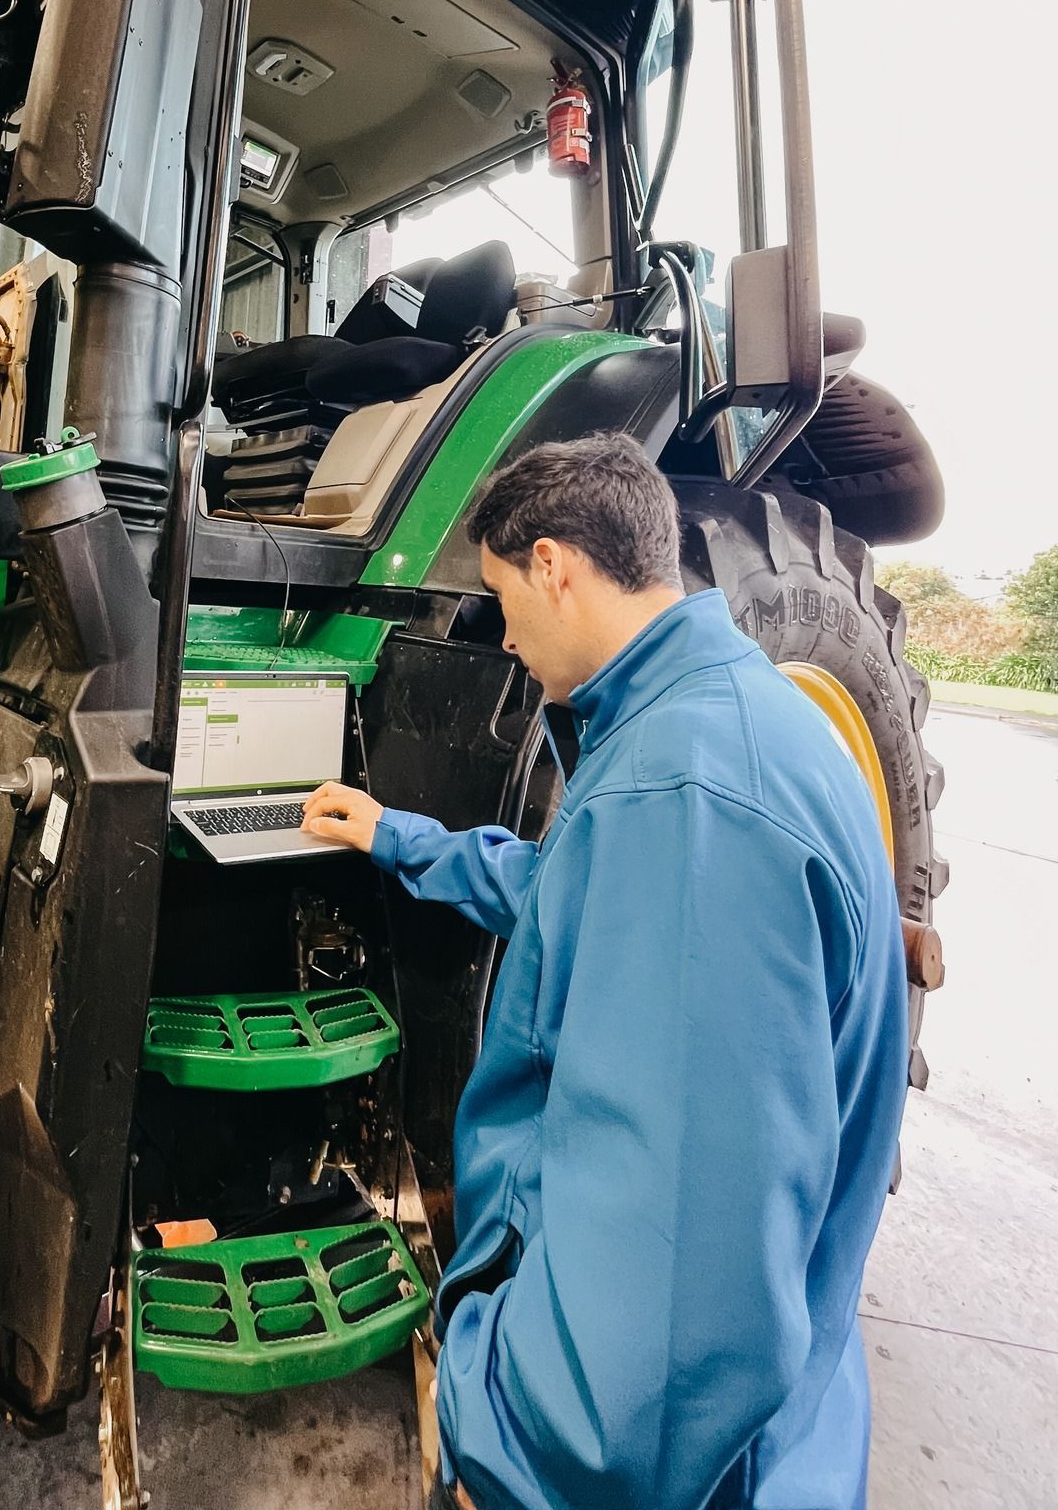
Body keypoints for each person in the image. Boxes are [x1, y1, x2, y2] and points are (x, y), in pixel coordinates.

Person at [301, 433, 907, 1510]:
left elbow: (675, 1293)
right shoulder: (718, 726)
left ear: (553, 565)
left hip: (658, 1474)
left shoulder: (686, 795)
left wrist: (511, 1443)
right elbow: (571, 895)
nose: (506, 634)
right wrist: (398, 834)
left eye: (500, 598)